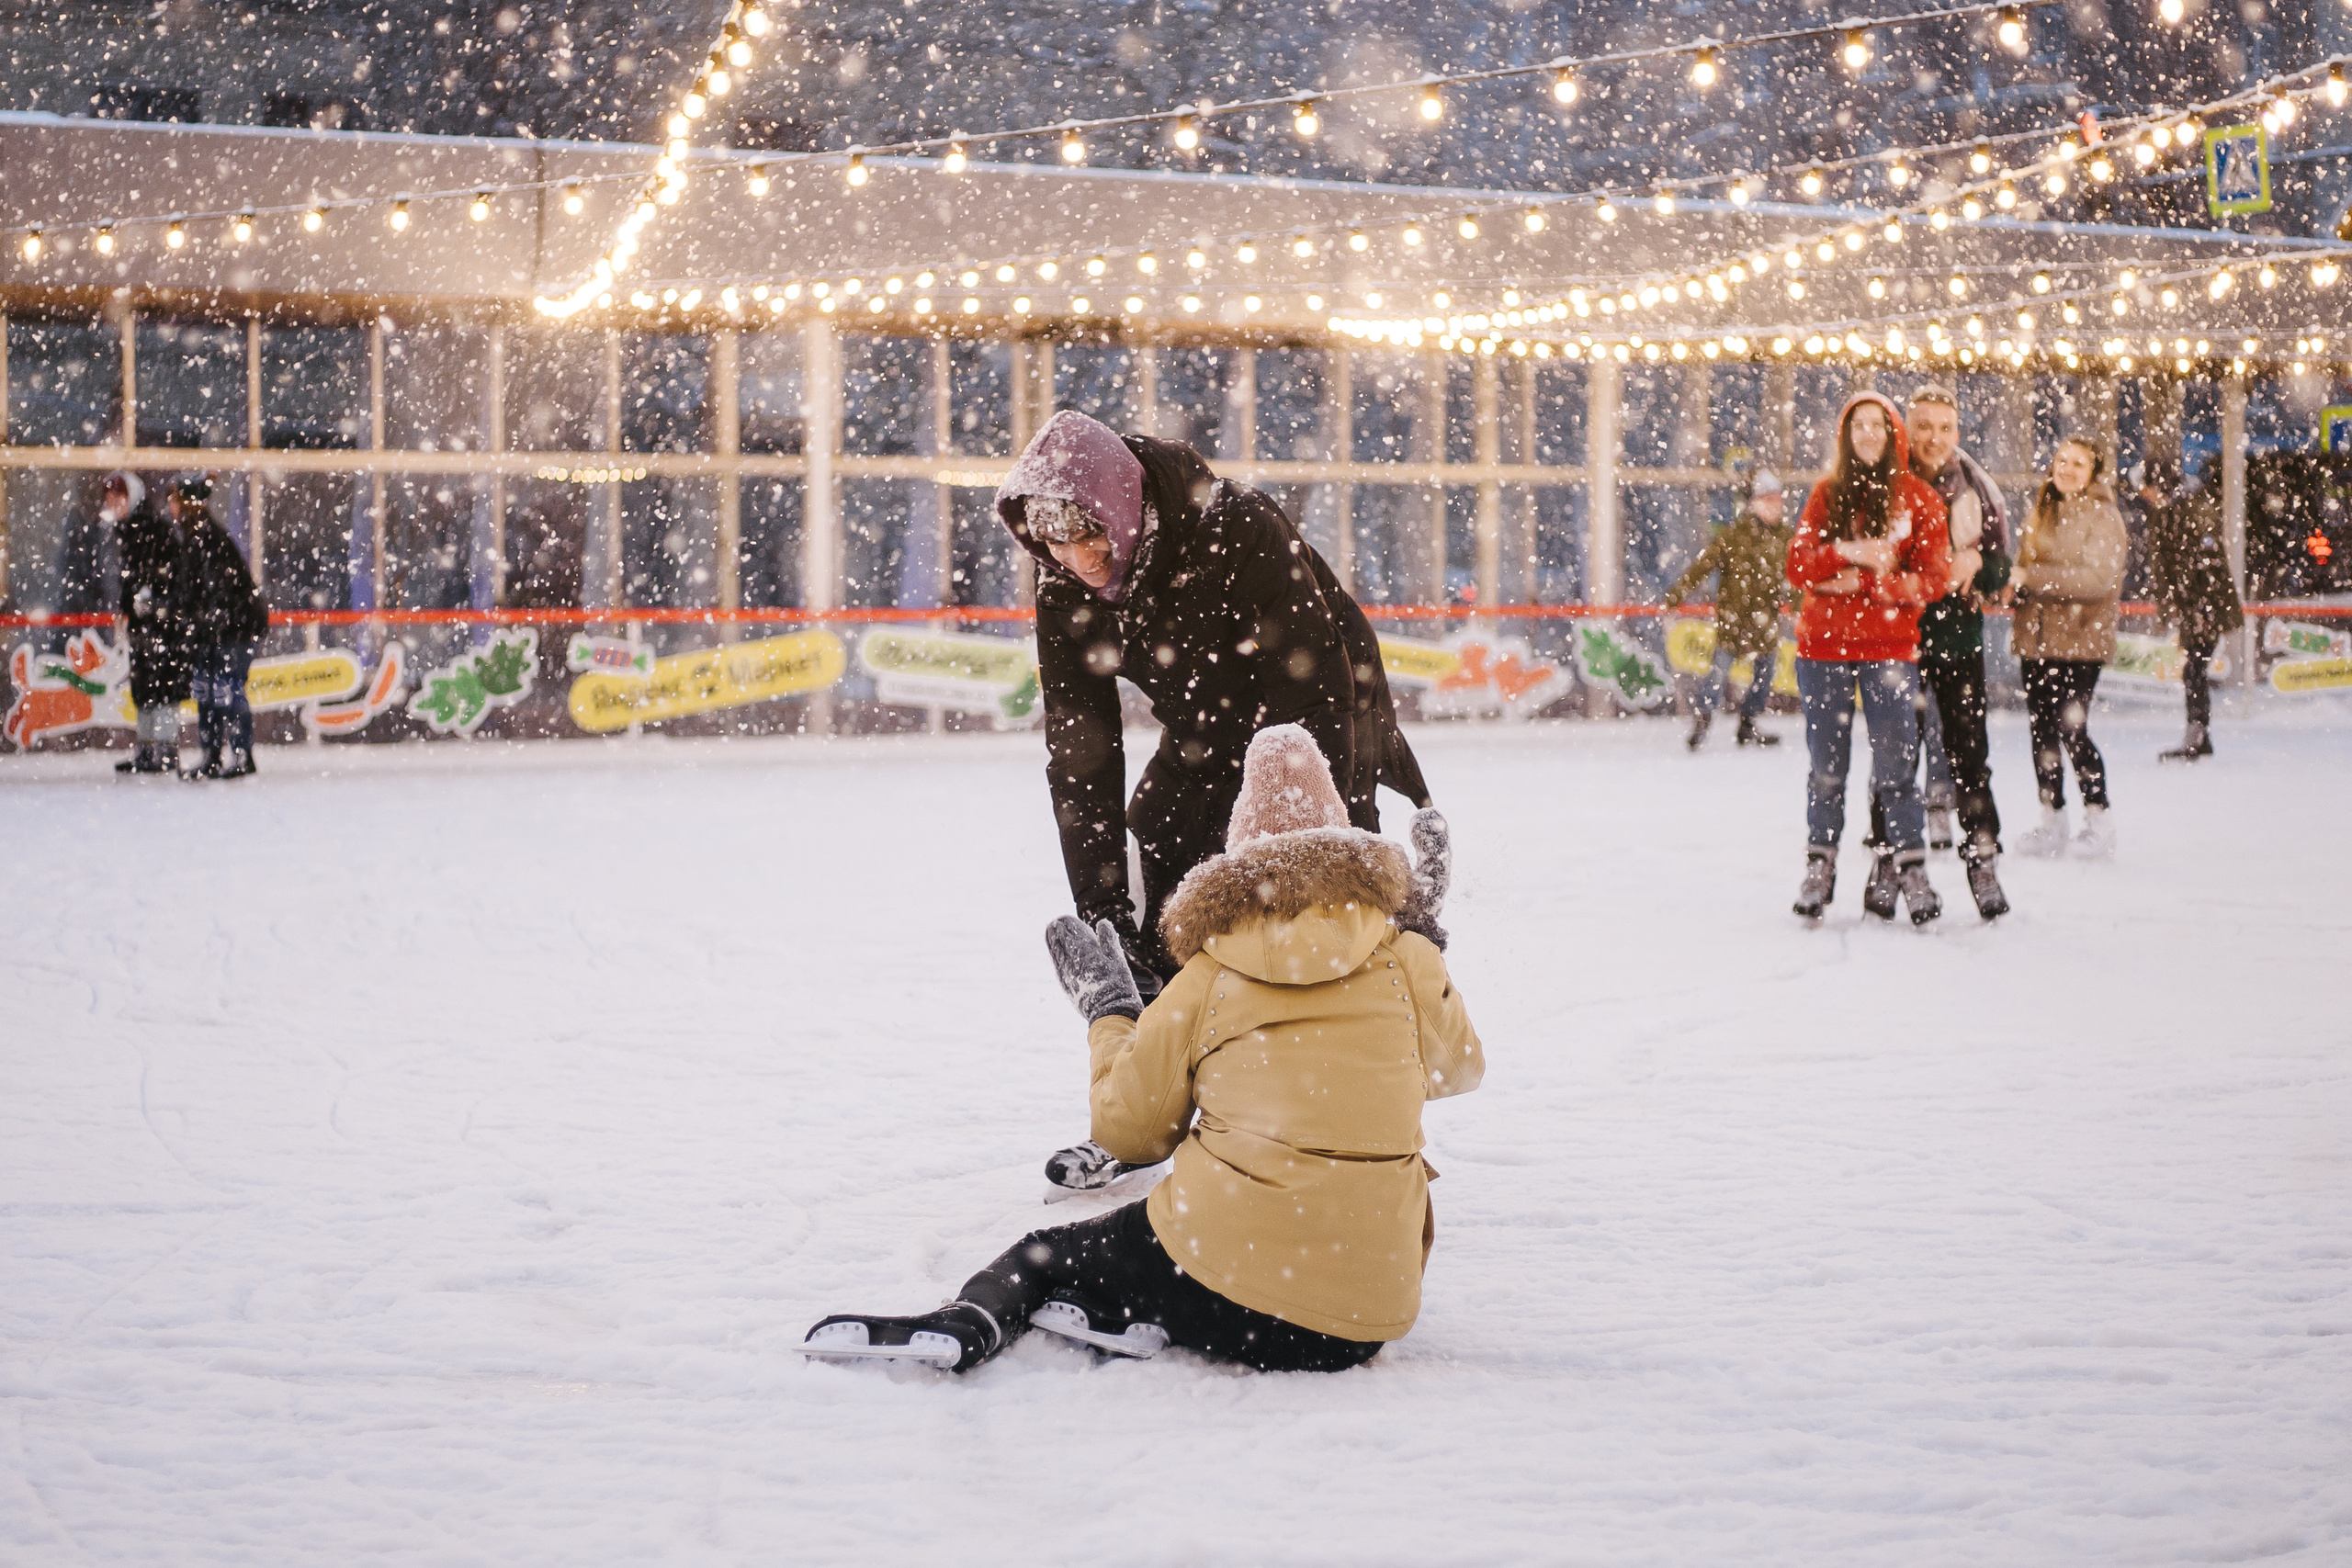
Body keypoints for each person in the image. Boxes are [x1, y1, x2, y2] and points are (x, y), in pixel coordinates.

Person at [800, 725, 1481, 1375]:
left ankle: (971, 1320)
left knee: (1046, 1255)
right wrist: (1424, 947)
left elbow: (1128, 1129)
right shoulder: (1406, 960)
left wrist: (1110, 1011)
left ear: (1237, 850)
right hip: (1367, 1317)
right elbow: (1457, 1068)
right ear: (1348, 841)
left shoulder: (1208, 978)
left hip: (1232, 1289)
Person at [999, 411, 1433, 1190]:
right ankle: (1153, 1107)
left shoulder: (1232, 526)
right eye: (1055, 545)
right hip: (1202, 732)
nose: (1078, 559)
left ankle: (1352, 1111)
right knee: (1160, 914)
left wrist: (1339, 852)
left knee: (1309, 914)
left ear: (1122, 504)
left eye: (1089, 535)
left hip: (1318, 710)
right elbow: (1079, 750)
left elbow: (1317, 689)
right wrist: (1105, 904)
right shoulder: (1064, 582)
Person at [1782, 394, 1951, 925]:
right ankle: (1820, 866)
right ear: (1847, 434)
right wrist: (1849, 553)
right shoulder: (1825, 495)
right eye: (1859, 426)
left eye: (1878, 425)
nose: (1869, 435)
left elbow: (1935, 578)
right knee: (1827, 771)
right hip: (1823, 650)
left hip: (1889, 650)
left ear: (1892, 432)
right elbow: (1798, 564)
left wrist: (1874, 584)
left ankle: (1912, 869)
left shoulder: (1919, 500)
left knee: (1897, 769)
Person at [1864, 387, 2014, 920]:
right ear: (1907, 426)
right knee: (1894, 757)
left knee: (1970, 756)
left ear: (1957, 432)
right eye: (1923, 425)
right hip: (1894, 640)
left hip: (1957, 642)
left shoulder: (1975, 486)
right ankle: (1887, 862)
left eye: (1944, 428)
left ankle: (1982, 859)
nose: (1933, 437)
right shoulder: (1884, 482)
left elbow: (2001, 568)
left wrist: (1976, 567)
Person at [2011, 438, 2128, 857]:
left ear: (2094, 473)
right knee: (2042, 732)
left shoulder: (2104, 517)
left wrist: (2032, 578)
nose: (2067, 468)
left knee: (2071, 729)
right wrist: (2013, 589)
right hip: (2037, 641)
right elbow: (2023, 568)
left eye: (2078, 463)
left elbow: (2096, 580)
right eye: (2061, 460)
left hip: (2080, 643)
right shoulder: (2042, 510)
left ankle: (2099, 817)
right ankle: (2052, 818)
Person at [1662, 468, 1792, 750]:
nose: (1776, 506)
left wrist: (1805, 605)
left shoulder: (1785, 538)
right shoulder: (1733, 537)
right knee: (1717, 674)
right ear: (1755, 503)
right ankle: (1703, 722)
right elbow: (1702, 567)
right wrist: (1675, 596)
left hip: (1765, 623)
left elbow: (1795, 577)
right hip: (1735, 622)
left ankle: (1748, 724)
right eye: (1769, 500)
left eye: (1778, 500)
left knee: (1764, 674)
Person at [166, 476, 270, 780]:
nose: (170, 506)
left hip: (234, 629)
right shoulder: (196, 536)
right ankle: (212, 754)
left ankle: (240, 754)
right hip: (218, 628)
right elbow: (195, 590)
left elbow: (219, 591)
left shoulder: (208, 538)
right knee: (208, 690)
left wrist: (206, 619)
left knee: (227, 688)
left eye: (174, 499)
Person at [2141, 457, 2243, 763]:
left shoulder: (2184, 512)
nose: (2144, 494)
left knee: (2193, 671)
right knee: (2193, 670)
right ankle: (2199, 734)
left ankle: (2197, 734)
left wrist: (2202, 610)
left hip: (2201, 608)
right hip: (2197, 607)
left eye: (2146, 487)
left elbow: (2198, 564)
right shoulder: (2179, 510)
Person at [107, 471, 190, 776]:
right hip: (146, 625)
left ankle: (164, 750)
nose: (114, 505)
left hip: (162, 627)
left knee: (161, 684)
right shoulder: (131, 530)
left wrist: (157, 601)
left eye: (118, 499)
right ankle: (149, 748)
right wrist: (128, 608)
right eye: (111, 500)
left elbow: (172, 574)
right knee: (144, 685)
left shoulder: (151, 529)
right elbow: (133, 578)